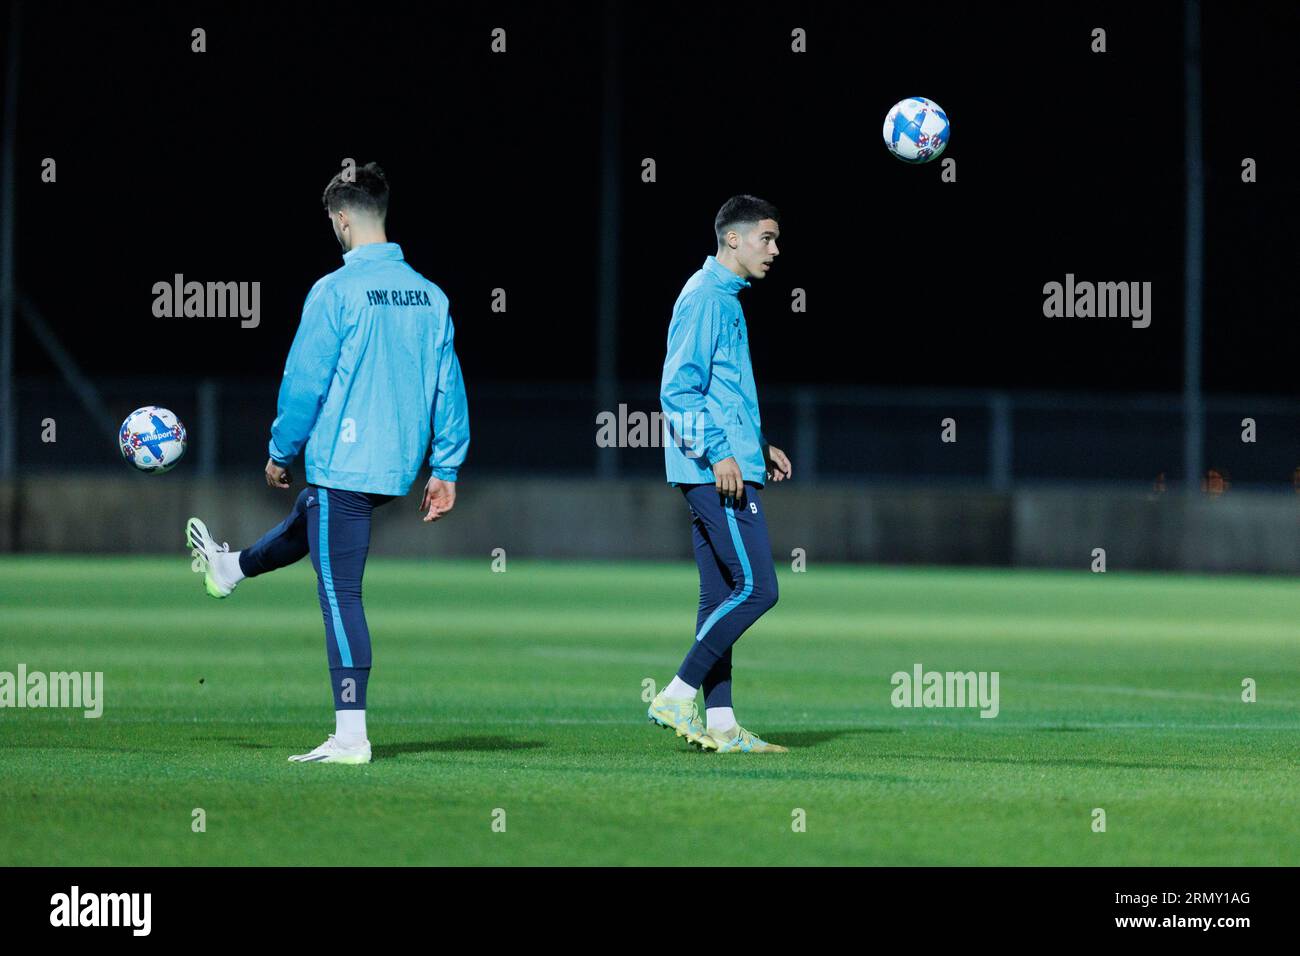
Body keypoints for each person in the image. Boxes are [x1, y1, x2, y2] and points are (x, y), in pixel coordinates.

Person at [185, 162, 469, 765]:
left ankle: (350, 735)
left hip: (345, 459)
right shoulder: (432, 295)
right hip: (396, 467)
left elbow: (303, 382)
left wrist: (280, 450)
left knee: (340, 593)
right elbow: (451, 387)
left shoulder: (335, 291)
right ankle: (232, 568)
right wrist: (445, 468)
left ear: (341, 220)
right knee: (312, 518)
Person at [648, 194, 792, 754]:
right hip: (714, 470)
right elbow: (677, 388)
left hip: (728, 461)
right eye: (767, 238)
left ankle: (724, 725)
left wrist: (757, 445)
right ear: (732, 239)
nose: (775, 250)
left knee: (719, 596)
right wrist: (719, 453)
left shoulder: (725, 298)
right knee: (758, 588)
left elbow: (720, 389)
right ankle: (676, 692)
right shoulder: (706, 296)